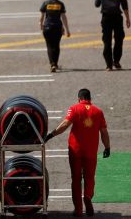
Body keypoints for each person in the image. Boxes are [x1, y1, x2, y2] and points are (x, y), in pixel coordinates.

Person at [45, 89, 111, 217]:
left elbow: (65, 124)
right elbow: (104, 132)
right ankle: (87, 196)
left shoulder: (74, 109)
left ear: (78, 98)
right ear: (90, 99)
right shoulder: (98, 112)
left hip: (75, 151)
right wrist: (107, 147)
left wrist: (51, 135)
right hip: (91, 151)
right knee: (89, 177)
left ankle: (79, 209)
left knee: (76, 178)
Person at [95, 0, 130, 71]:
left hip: (106, 18)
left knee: (107, 41)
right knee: (119, 39)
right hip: (117, 18)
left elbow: (97, 4)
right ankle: (116, 61)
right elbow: (124, 5)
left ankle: (108, 65)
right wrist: (128, 18)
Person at [40, 0, 71, 72]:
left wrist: (41, 25)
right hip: (57, 27)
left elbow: (42, 16)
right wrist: (67, 29)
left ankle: (52, 64)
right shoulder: (60, 4)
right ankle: (55, 64)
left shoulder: (45, 3)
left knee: (49, 46)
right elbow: (63, 17)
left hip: (47, 27)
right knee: (56, 46)